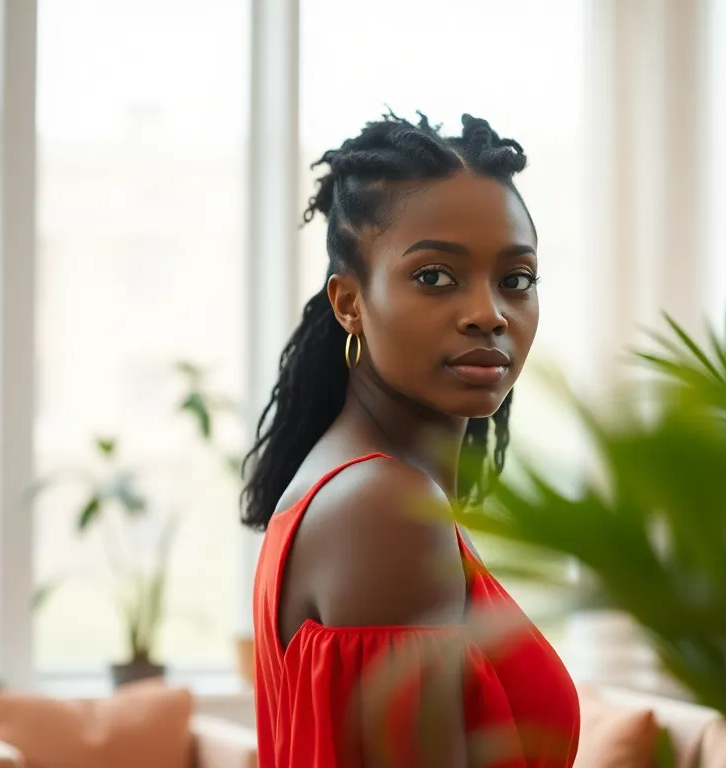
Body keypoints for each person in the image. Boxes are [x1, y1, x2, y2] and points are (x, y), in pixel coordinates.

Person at [243, 111, 579, 768]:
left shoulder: (365, 487)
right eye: (435, 276)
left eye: (516, 279)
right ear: (349, 301)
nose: (489, 312)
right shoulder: (382, 507)